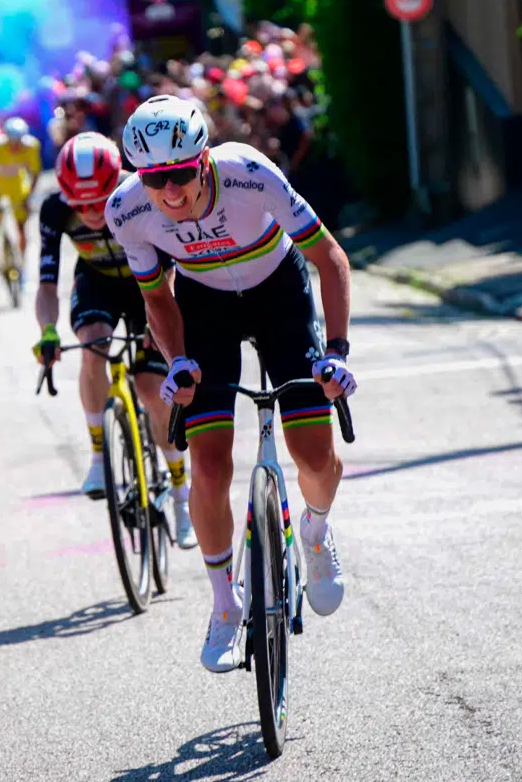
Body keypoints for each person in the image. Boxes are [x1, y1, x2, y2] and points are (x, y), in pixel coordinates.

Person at [106, 95, 356, 673]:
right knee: (210, 465)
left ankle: (315, 532)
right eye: (152, 178)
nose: (168, 193)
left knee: (313, 454)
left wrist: (337, 352)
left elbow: (331, 259)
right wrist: (176, 363)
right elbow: (157, 299)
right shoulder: (127, 211)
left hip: (279, 296)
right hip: (206, 307)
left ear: (204, 159)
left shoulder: (249, 174)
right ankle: (225, 603)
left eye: (178, 175)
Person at [33, 132, 195, 547]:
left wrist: (156, 327)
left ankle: (180, 491)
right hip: (98, 281)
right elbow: (47, 283)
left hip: (152, 283)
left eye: (97, 202)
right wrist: (47, 332)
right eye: (79, 204)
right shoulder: (54, 210)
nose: (88, 212)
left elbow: (172, 265)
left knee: (150, 388)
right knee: (91, 346)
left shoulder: (140, 194)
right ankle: (98, 454)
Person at [0, 117, 42, 263]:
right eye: (12, 142)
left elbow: (35, 173)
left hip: (18, 188)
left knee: (21, 226)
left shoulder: (31, 146)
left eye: (19, 143)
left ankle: (23, 261)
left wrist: (29, 196)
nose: (16, 147)